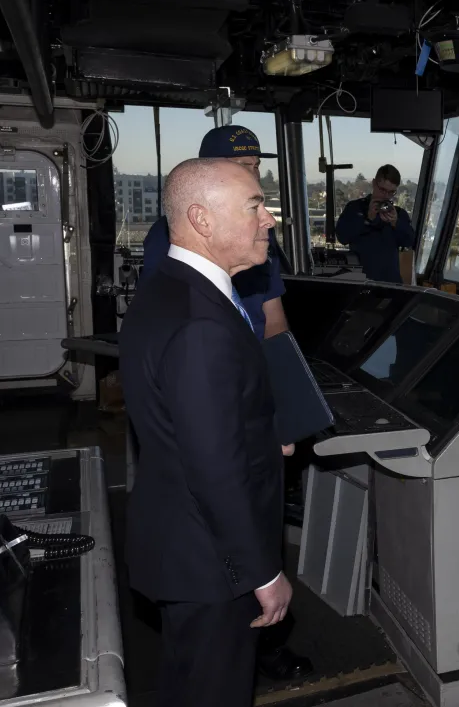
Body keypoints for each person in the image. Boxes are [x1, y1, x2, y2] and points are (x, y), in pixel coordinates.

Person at [137, 124, 312, 681]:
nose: (271, 218)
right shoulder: (201, 326)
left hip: (183, 541)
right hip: (210, 561)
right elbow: (212, 466)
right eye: (256, 205)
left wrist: (267, 429)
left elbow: (199, 418)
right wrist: (261, 574)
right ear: (202, 220)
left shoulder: (174, 287)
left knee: (193, 681)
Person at [141, 124, 288, 340]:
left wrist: (282, 367)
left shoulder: (261, 230)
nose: (254, 174)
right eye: (244, 165)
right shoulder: (168, 233)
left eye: (256, 165)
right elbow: (156, 310)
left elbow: (273, 312)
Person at [335, 164, 415, 283]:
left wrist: (395, 223)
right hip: (360, 282)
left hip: (390, 284)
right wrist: (367, 219)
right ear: (373, 183)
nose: (386, 196)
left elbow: (409, 242)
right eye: (382, 190)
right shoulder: (354, 208)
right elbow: (342, 237)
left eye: (391, 192)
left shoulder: (398, 214)